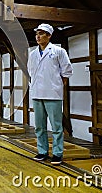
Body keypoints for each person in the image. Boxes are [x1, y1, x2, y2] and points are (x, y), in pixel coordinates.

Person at [27, 23, 73, 165]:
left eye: (41, 34)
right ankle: (42, 151)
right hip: (36, 93)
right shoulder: (33, 54)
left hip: (53, 94)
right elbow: (30, 72)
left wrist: (57, 85)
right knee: (39, 126)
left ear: (49, 36)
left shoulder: (59, 51)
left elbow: (66, 71)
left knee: (56, 127)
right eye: (37, 34)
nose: (38, 36)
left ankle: (57, 154)